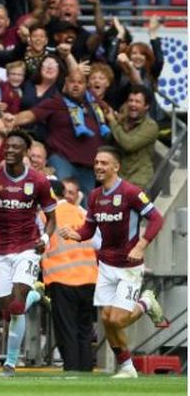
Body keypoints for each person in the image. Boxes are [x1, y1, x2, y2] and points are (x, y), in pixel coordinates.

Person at [60, 146, 167, 379]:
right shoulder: (94, 196)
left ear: (116, 167)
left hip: (129, 266)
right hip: (106, 266)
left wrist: (141, 246)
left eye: (104, 163)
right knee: (108, 320)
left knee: (118, 318)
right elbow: (89, 228)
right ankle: (127, 367)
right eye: (97, 162)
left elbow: (157, 218)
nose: (98, 166)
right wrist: (76, 234)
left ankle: (146, 303)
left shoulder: (131, 192)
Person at [0, 130, 57, 377]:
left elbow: (52, 217)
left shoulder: (39, 181)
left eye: (15, 147)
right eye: (7, 147)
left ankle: (9, 364)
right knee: (7, 309)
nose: (9, 150)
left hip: (27, 249)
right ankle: (35, 295)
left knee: (16, 307)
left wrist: (43, 238)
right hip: (1, 250)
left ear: (25, 152)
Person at [42, 180, 98, 372]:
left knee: (67, 331)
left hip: (62, 278)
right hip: (89, 278)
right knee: (84, 330)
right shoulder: (81, 212)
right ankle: (85, 370)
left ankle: (72, 371)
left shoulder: (46, 215)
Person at [105, 85, 158, 189]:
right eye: (131, 100)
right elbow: (108, 141)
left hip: (138, 181)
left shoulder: (151, 126)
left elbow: (129, 144)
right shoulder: (122, 121)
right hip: (118, 178)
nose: (133, 104)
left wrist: (113, 122)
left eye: (137, 102)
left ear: (146, 106)